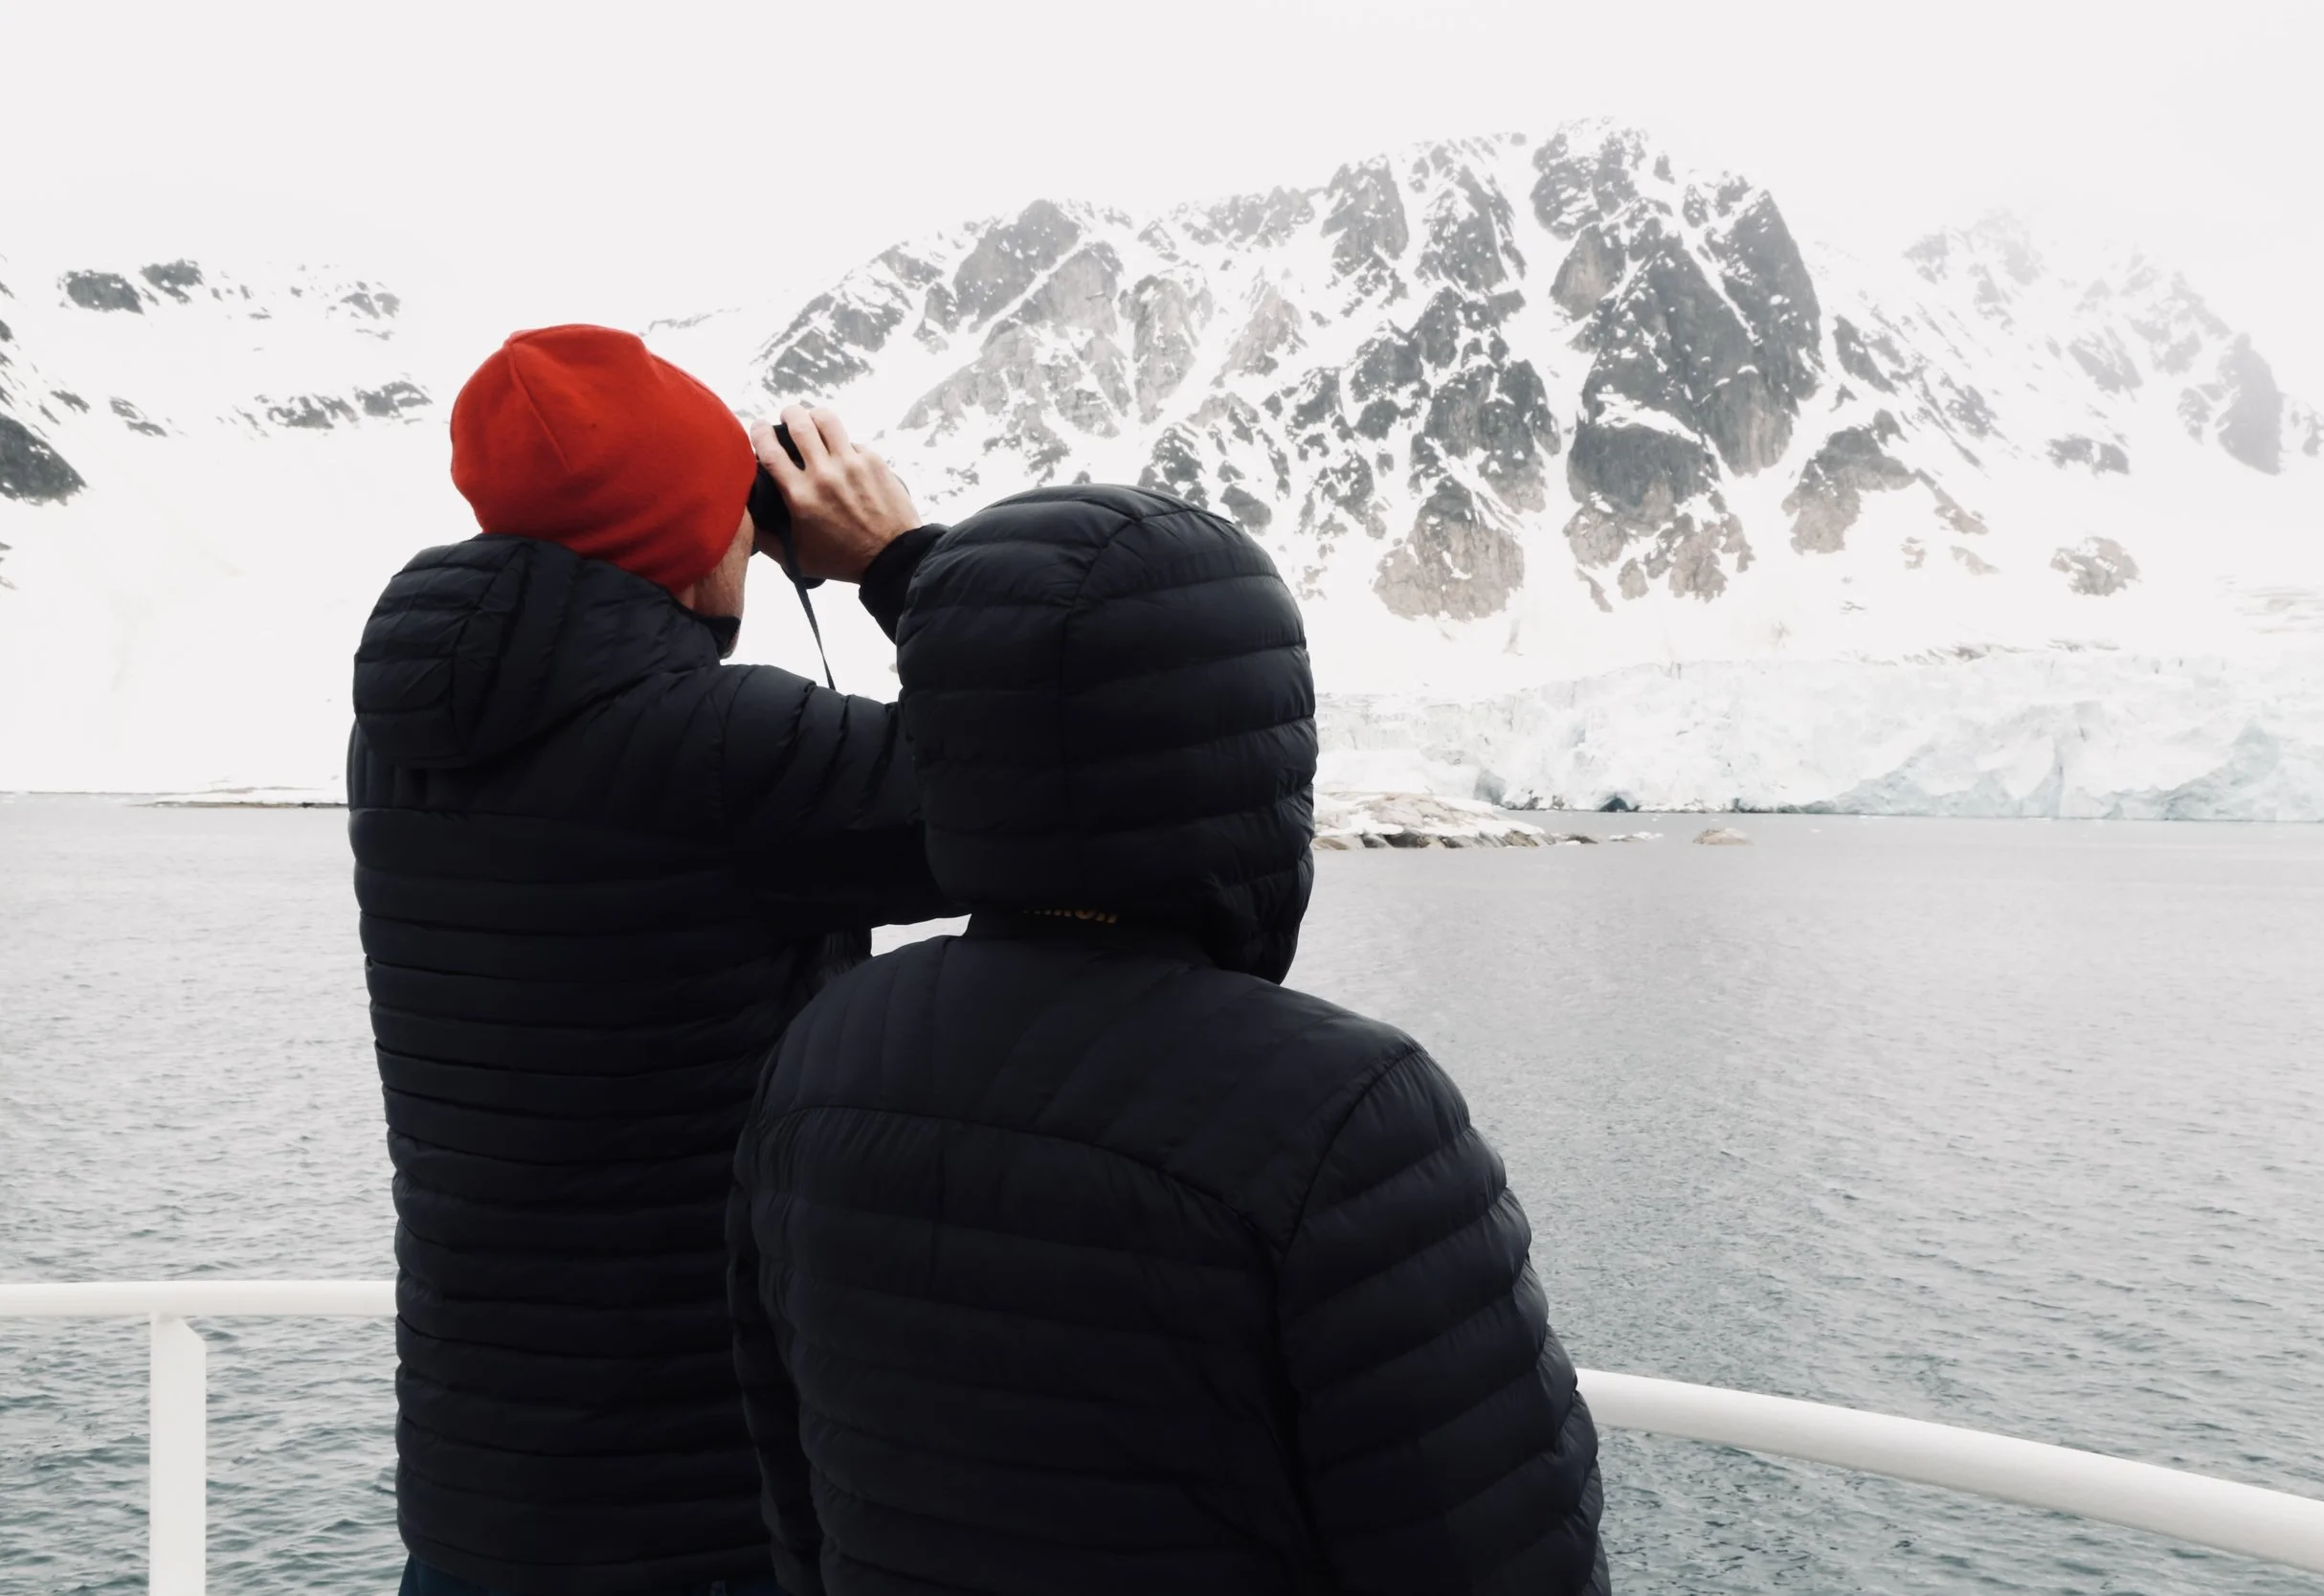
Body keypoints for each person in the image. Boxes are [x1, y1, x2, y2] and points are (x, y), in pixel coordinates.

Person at [726, 484, 1609, 1595]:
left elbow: (795, 1491)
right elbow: (1499, 1552)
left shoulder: (822, 1056)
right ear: (1255, 756)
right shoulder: (1341, 1115)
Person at [349, 324, 951, 1596]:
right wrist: (902, 563)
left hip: (483, 1489)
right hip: (702, 1502)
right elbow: (1048, 779)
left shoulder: (414, 725)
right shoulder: (715, 752)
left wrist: (703, 544)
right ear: (687, 535)